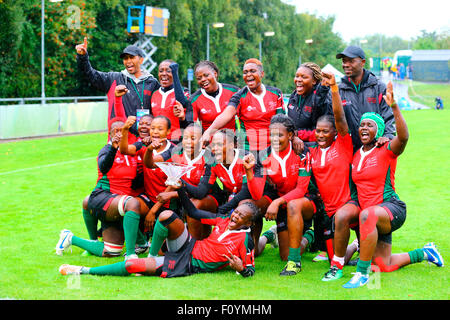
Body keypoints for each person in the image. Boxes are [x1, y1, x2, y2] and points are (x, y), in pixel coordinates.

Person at [343, 82, 444, 289]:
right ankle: (426, 252)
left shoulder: (386, 149)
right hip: (371, 218)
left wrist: (394, 107)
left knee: (367, 215)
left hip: (391, 209)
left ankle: (361, 274)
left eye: (369, 125)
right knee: (384, 264)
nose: (364, 128)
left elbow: (404, 137)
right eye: (362, 125)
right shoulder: (355, 155)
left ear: (378, 131)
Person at [59, 185, 257, 278]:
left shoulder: (245, 240)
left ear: (248, 222)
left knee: (132, 265)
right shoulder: (222, 219)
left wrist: (241, 269)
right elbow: (193, 211)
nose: (234, 217)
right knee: (167, 215)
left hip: (189, 263)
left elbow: (250, 271)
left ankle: (82, 271)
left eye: (240, 217)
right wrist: (180, 190)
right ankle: (153, 253)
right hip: (188, 245)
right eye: (235, 212)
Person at [286, 72, 360, 281]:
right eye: (317, 131)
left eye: (325, 132)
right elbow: (301, 187)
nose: (319, 135)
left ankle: (337, 269)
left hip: (350, 206)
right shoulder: (312, 154)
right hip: (328, 214)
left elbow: (339, 117)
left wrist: (334, 89)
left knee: (338, 259)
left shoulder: (343, 145)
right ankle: (353, 247)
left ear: (334, 133)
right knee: (334, 256)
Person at [55, 119, 144, 259]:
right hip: (104, 197)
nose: (120, 134)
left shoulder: (130, 151)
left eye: (123, 130)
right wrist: (113, 148)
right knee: (132, 203)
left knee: (111, 252)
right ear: (110, 134)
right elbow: (103, 166)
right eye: (116, 131)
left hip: (118, 205)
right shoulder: (107, 149)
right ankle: (131, 255)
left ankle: (71, 238)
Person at [242, 114, 316, 272]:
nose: (275, 139)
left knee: (293, 205)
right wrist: (249, 173)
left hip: (304, 201)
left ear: (290, 135)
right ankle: (262, 240)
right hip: (283, 203)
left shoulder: (302, 152)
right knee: (246, 205)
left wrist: (276, 202)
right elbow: (256, 194)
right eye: (272, 135)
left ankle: (302, 249)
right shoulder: (264, 156)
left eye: (279, 135)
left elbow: (301, 189)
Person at [76, 37, 160, 142]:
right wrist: (83, 57)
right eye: (125, 58)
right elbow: (89, 75)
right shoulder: (113, 79)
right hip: (119, 139)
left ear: (141, 60)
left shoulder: (152, 83)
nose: (128, 61)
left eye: (132, 57)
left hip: (144, 140)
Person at [201, 58, 285, 155]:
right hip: (248, 149)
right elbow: (226, 115)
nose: (248, 74)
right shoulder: (239, 96)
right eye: (245, 72)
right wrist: (208, 131)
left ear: (262, 74)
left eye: (252, 71)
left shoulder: (275, 93)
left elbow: (282, 121)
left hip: (273, 147)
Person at [335, 45, 395, 151]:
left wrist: (388, 136)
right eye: (344, 61)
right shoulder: (339, 90)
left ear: (362, 62)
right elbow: (332, 119)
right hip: (348, 151)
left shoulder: (378, 87)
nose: (346, 65)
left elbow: (389, 117)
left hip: (375, 149)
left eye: (351, 61)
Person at [184, 61, 240, 132]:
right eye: (199, 78)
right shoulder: (194, 100)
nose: (203, 79)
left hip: (232, 140)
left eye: (206, 75)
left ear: (215, 74)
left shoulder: (233, 91)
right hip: (210, 141)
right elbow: (191, 126)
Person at [287, 62, 331, 151]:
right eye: (297, 76)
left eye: (304, 77)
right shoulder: (293, 96)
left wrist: (297, 136)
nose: (298, 80)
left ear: (314, 81)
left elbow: (324, 131)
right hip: (295, 145)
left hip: (315, 148)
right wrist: (293, 136)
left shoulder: (321, 98)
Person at [150, 60, 192, 142]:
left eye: (169, 71)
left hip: (176, 141)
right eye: (161, 71)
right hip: (157, 142)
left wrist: (175, 74)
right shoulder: (154, 94)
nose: (164, 74)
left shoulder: (183, 92)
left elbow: (182, 103)